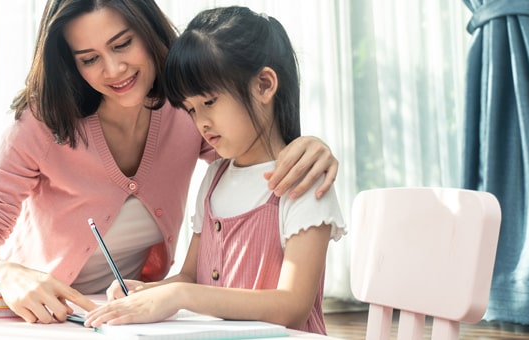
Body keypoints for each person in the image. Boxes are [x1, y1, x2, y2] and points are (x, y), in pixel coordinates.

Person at [0, 0, 341, 325]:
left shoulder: (184, 109)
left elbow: (252, 149)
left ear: (148, 31)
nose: (113, 70)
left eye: (122, 44)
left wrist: (307, 146)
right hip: (47, 317)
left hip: (132, 317)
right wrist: (7, 273)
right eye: (90, 59)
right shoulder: (45, 123)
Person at [82, 6, 347, 334]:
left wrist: (181, 295)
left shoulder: (302, 180)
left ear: (264, 85)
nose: (201, 122)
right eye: (191, 109)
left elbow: (292, 307)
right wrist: (147, 293)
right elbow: (191, 276)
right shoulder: (215, 177)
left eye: (209, 102)